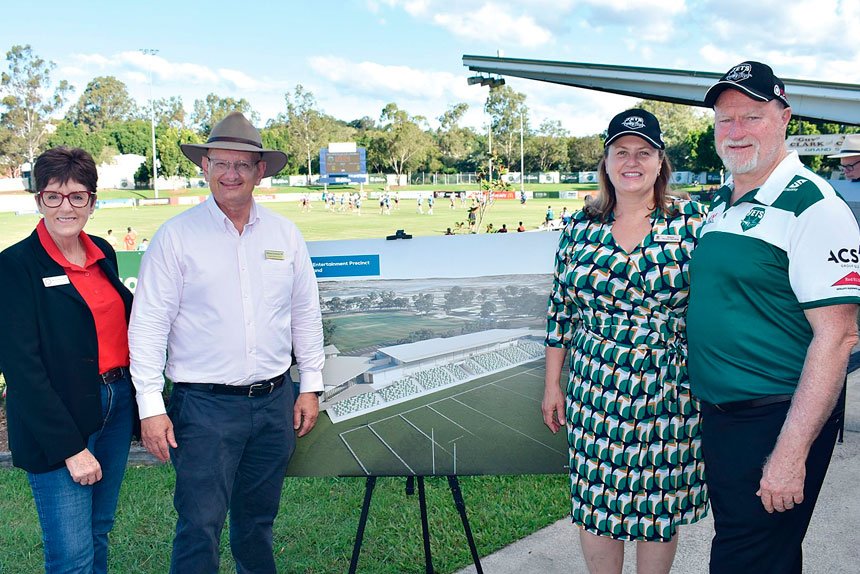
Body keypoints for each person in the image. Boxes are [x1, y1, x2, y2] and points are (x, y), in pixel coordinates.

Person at [128, 112, 325, 574]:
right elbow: (150, 324)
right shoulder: (176, 237)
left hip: (275, 401)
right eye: (221, 163)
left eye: (242, 164)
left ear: (260, 171)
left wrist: (311, 384)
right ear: (205, 167)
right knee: (200, 525)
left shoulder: (284, 235)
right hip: (204, 409)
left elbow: (304, 313)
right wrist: (150, 405)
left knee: (257, 522)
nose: (230, 174)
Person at [688, 61, 860, 573]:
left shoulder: (815, 208)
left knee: (745, 559)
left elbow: (839, 336)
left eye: (752, 116)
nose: (735, 132)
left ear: (785, 118)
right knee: (765, 554)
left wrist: (790, 452)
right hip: (724, 416)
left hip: (776, 415)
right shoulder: (724, 202)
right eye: (725, 120)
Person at [543, 109, 708, 573]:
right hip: (596, 386)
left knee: (659, 506)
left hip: (669, 385)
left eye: (644, 152)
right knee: (599, 504)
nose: (631, 161)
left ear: (660, 162)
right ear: (607, 162)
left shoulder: (693, 223)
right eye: (621, 152)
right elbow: (561, 312)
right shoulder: (580, 226)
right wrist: (552, 385)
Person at [0, 147, 135, 574]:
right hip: (59, 419)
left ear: (92, 202)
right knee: (71, 554)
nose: (66, 206)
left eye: (78, 196)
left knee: (98, 530)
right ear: (38, 200)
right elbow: (22, 370)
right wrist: (71, 449)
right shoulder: (14, 266)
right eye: (54, 196)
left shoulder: (102, 252)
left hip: (114, 404)